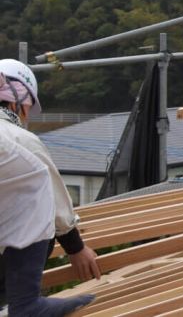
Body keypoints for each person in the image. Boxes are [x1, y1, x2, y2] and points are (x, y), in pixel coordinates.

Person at [0, 59, 98, 315]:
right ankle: (25, 303)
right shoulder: (18, 138)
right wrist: (76, 248)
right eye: (27, 108)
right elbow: (53, 200)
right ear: (15, 101)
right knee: (36, 188)